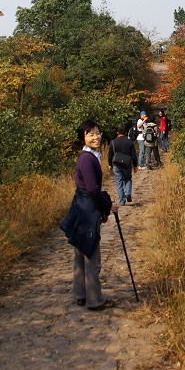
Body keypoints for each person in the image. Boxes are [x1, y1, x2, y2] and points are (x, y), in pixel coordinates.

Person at [60, 119, 119, 311]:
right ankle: (95, 300)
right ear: (82, 138)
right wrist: (109, 205)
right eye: (90, 134)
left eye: (98, 132)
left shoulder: (91, 155)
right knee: (91, 255)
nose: (96, 137)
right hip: (86, 209)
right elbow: (93, 189)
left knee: (80, 251)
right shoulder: (86, 158)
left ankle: (81, 294)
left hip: (82, 206)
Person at [108, 125, 138, 206]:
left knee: (119, 182)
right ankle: (128, 193)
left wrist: (110, 164)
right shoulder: (129, 141)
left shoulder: (113, 142)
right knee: (128, 178)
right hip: (127, 164)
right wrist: (135, 165)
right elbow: (133, 155)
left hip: (116, 164)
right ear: (125, 133)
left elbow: (110, 155)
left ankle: (122, 201)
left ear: (117, 132)